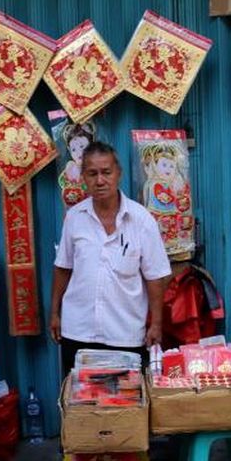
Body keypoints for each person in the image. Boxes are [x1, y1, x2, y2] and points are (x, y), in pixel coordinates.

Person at [50, 141, 171, 374]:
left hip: (124, 334)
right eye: (92, 173)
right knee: (80, 406)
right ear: (83, 177)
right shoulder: (75, 218)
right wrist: (55, 313)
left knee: (124, 407)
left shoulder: (141, 220)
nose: (100, 180)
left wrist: (156, 324)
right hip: (78, 331)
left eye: (106, 172)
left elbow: (156, 277)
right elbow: (62, 268)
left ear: (118, 173)